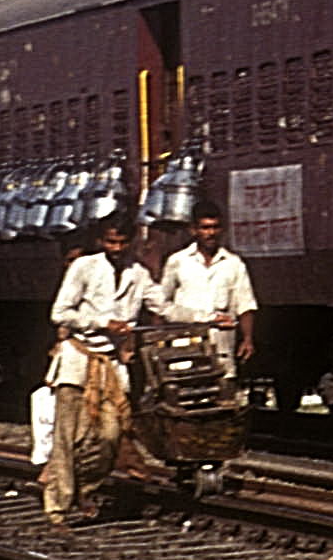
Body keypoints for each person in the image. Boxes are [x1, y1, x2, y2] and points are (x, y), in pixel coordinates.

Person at [44, 214, 147, 524]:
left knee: (111, 435)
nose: (116, 248)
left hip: (111, 367)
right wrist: (102, 323)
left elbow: (163, 305)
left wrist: (209, 318)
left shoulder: (138, 274)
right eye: (111, 241)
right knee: (68, 438)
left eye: (122, 242)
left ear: (131, 242)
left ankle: (83, 488)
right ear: (101, 241)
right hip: (77, 361)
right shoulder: (84, 267)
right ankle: (57, 509)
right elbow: (60, 312)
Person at [147, 206, 258, 382]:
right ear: (194, 230)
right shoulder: (178, 261)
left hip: (220, 345)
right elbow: (161, 304)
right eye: (205, 228)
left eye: (215, 227)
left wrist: (247, 339)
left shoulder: (234, 263)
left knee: (221, 392)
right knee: (185, 393)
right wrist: (157, 342)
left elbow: (246, 304)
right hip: (184, 344)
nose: (210, 233)